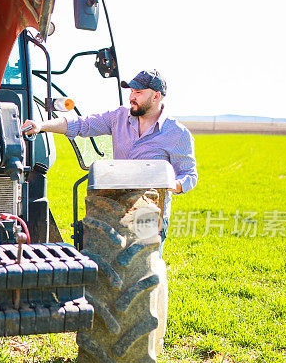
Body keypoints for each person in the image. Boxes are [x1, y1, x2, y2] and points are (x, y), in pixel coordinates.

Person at [21, 69, 197, 250]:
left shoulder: (177, 133)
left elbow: (190, 175)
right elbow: (81, 124)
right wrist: (42, 125)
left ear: (156, 96)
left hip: (150, 214)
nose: (132, 97)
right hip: (115, 210)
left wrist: (171, 183)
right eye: (131, 91)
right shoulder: (119, 117)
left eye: (138, 92)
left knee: (142, 271)